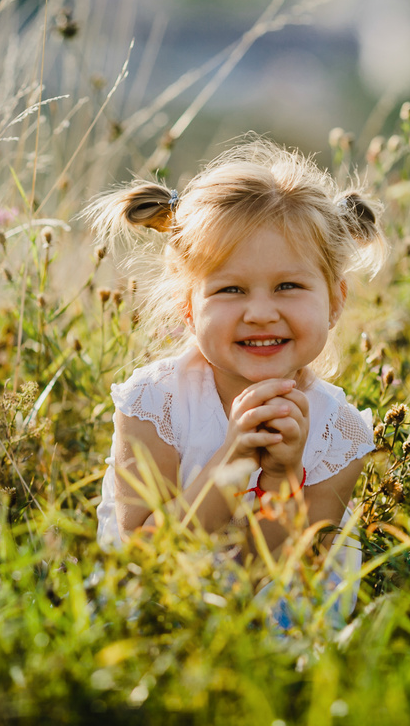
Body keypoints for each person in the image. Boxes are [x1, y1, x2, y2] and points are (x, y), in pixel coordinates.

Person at [87, 140, 386, 609]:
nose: (261, 313)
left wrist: (282, 477)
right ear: (189, 307)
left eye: (288, 286)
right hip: (159, 618)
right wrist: (232, 459)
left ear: (335, 301)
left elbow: (288, 572)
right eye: (231, 289)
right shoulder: (155, 403)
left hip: (278, 634)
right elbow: (147, 560)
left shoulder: (339, 431)